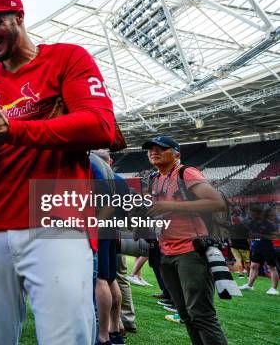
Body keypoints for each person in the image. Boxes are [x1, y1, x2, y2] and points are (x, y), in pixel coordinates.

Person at [0, 0, 116, 344]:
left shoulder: (66, 58)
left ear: (20, 18)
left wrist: (12, 129)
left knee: (64, 338)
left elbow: (101, 125)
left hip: (55, 217)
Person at [144, 135, 228, 345]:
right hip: (166, 251)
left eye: (161, 149)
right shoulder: (154, 178)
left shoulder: (186, 172)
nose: (154, 152)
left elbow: (217, 202)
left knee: (201, 314)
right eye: (151, 149)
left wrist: (170, 206)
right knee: (186, 314)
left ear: (176, 154)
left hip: (191, 250)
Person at [92, 149, 137, 336]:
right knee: (114, 279)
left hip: (99, 233)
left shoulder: (96, 176)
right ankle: (117, 324)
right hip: (114, 234)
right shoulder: (120, 180)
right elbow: (126, 211)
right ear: (109, 161)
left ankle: (104, 334)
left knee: (100, 280)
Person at [240, 208, 278, 295]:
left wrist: (261, 235)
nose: (251, 215)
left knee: (271, 267)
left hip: (267, 247)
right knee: (253, 266)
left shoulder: (269, 224)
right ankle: (249, 285)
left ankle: (274, 289)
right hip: (256, 247)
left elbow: (274, 236)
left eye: (253, 214)